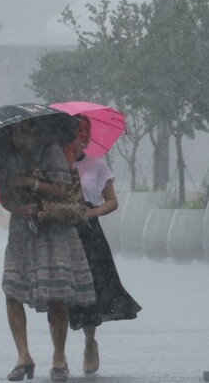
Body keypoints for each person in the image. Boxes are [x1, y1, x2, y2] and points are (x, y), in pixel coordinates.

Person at [0, 120, 96, 382]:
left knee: (57, 296)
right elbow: (3, 195)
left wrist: (31, 183)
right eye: (13, 132)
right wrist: (17, 208)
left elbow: (61, 189)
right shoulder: (8, 157)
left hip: (53, 231)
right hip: (20, 234)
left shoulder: (51, 151)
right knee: (12, 291)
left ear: (32, 130)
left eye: (21, 130)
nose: (18, 137)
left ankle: (59, 357)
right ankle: (23, 356)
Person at [63, 116, 141, 375]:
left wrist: (90, 213)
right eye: (78, 131)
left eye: (86, 131)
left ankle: (89, 342)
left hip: (88, 233)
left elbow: (111, 201)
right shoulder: (54, 163)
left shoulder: (96, 165)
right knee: (60, 293)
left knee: (91, 290)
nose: (83, 135)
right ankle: (58, 354)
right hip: (61, 231)